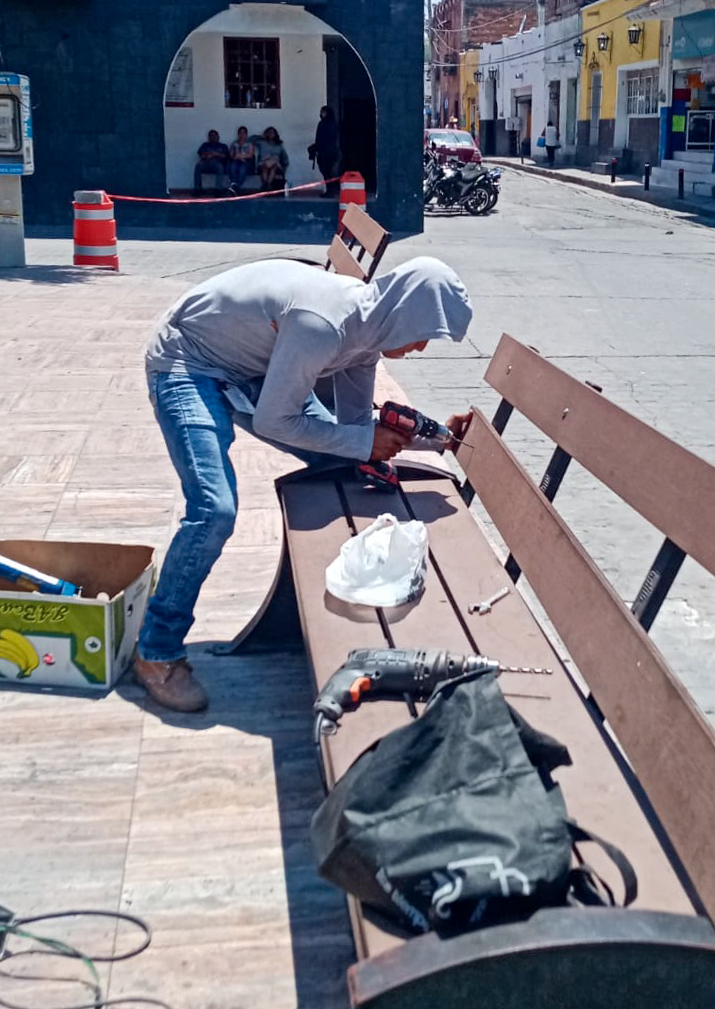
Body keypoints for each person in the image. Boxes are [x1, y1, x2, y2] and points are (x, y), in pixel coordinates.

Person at [133, 257, 474, 711]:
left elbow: (355, 431)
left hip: (249, 363)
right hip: (187, 360)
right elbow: (277, 421)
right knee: (214, 509)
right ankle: (156, 652)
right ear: (403, 313)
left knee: (343, 454)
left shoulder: (365, 338)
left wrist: (438, 441)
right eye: (424, 333)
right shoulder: (324, 327)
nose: (421, 348)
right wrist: (362, 442)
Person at [308, 105, 340, 192]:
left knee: (326, 172)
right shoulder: (332, 123)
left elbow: (320, 138)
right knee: (328, 172)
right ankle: (330, 189)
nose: (321, 114)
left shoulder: (323, 124)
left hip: (325, 151)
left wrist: (318, 148)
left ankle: (330, 190)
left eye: (323, 112)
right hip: (330, 151)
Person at [257, 126, 289, 191]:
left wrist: (284, 168)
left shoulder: (279, 145)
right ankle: (267, 185)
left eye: (272, 133)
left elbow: (285, 158)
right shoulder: (261, 143)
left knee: (273, 167)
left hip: (276, 164)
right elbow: (250, 139)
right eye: (269, 133)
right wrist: (261, 137)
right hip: (264, 162)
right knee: (265, 167)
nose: (270, 134)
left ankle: (267, 185)